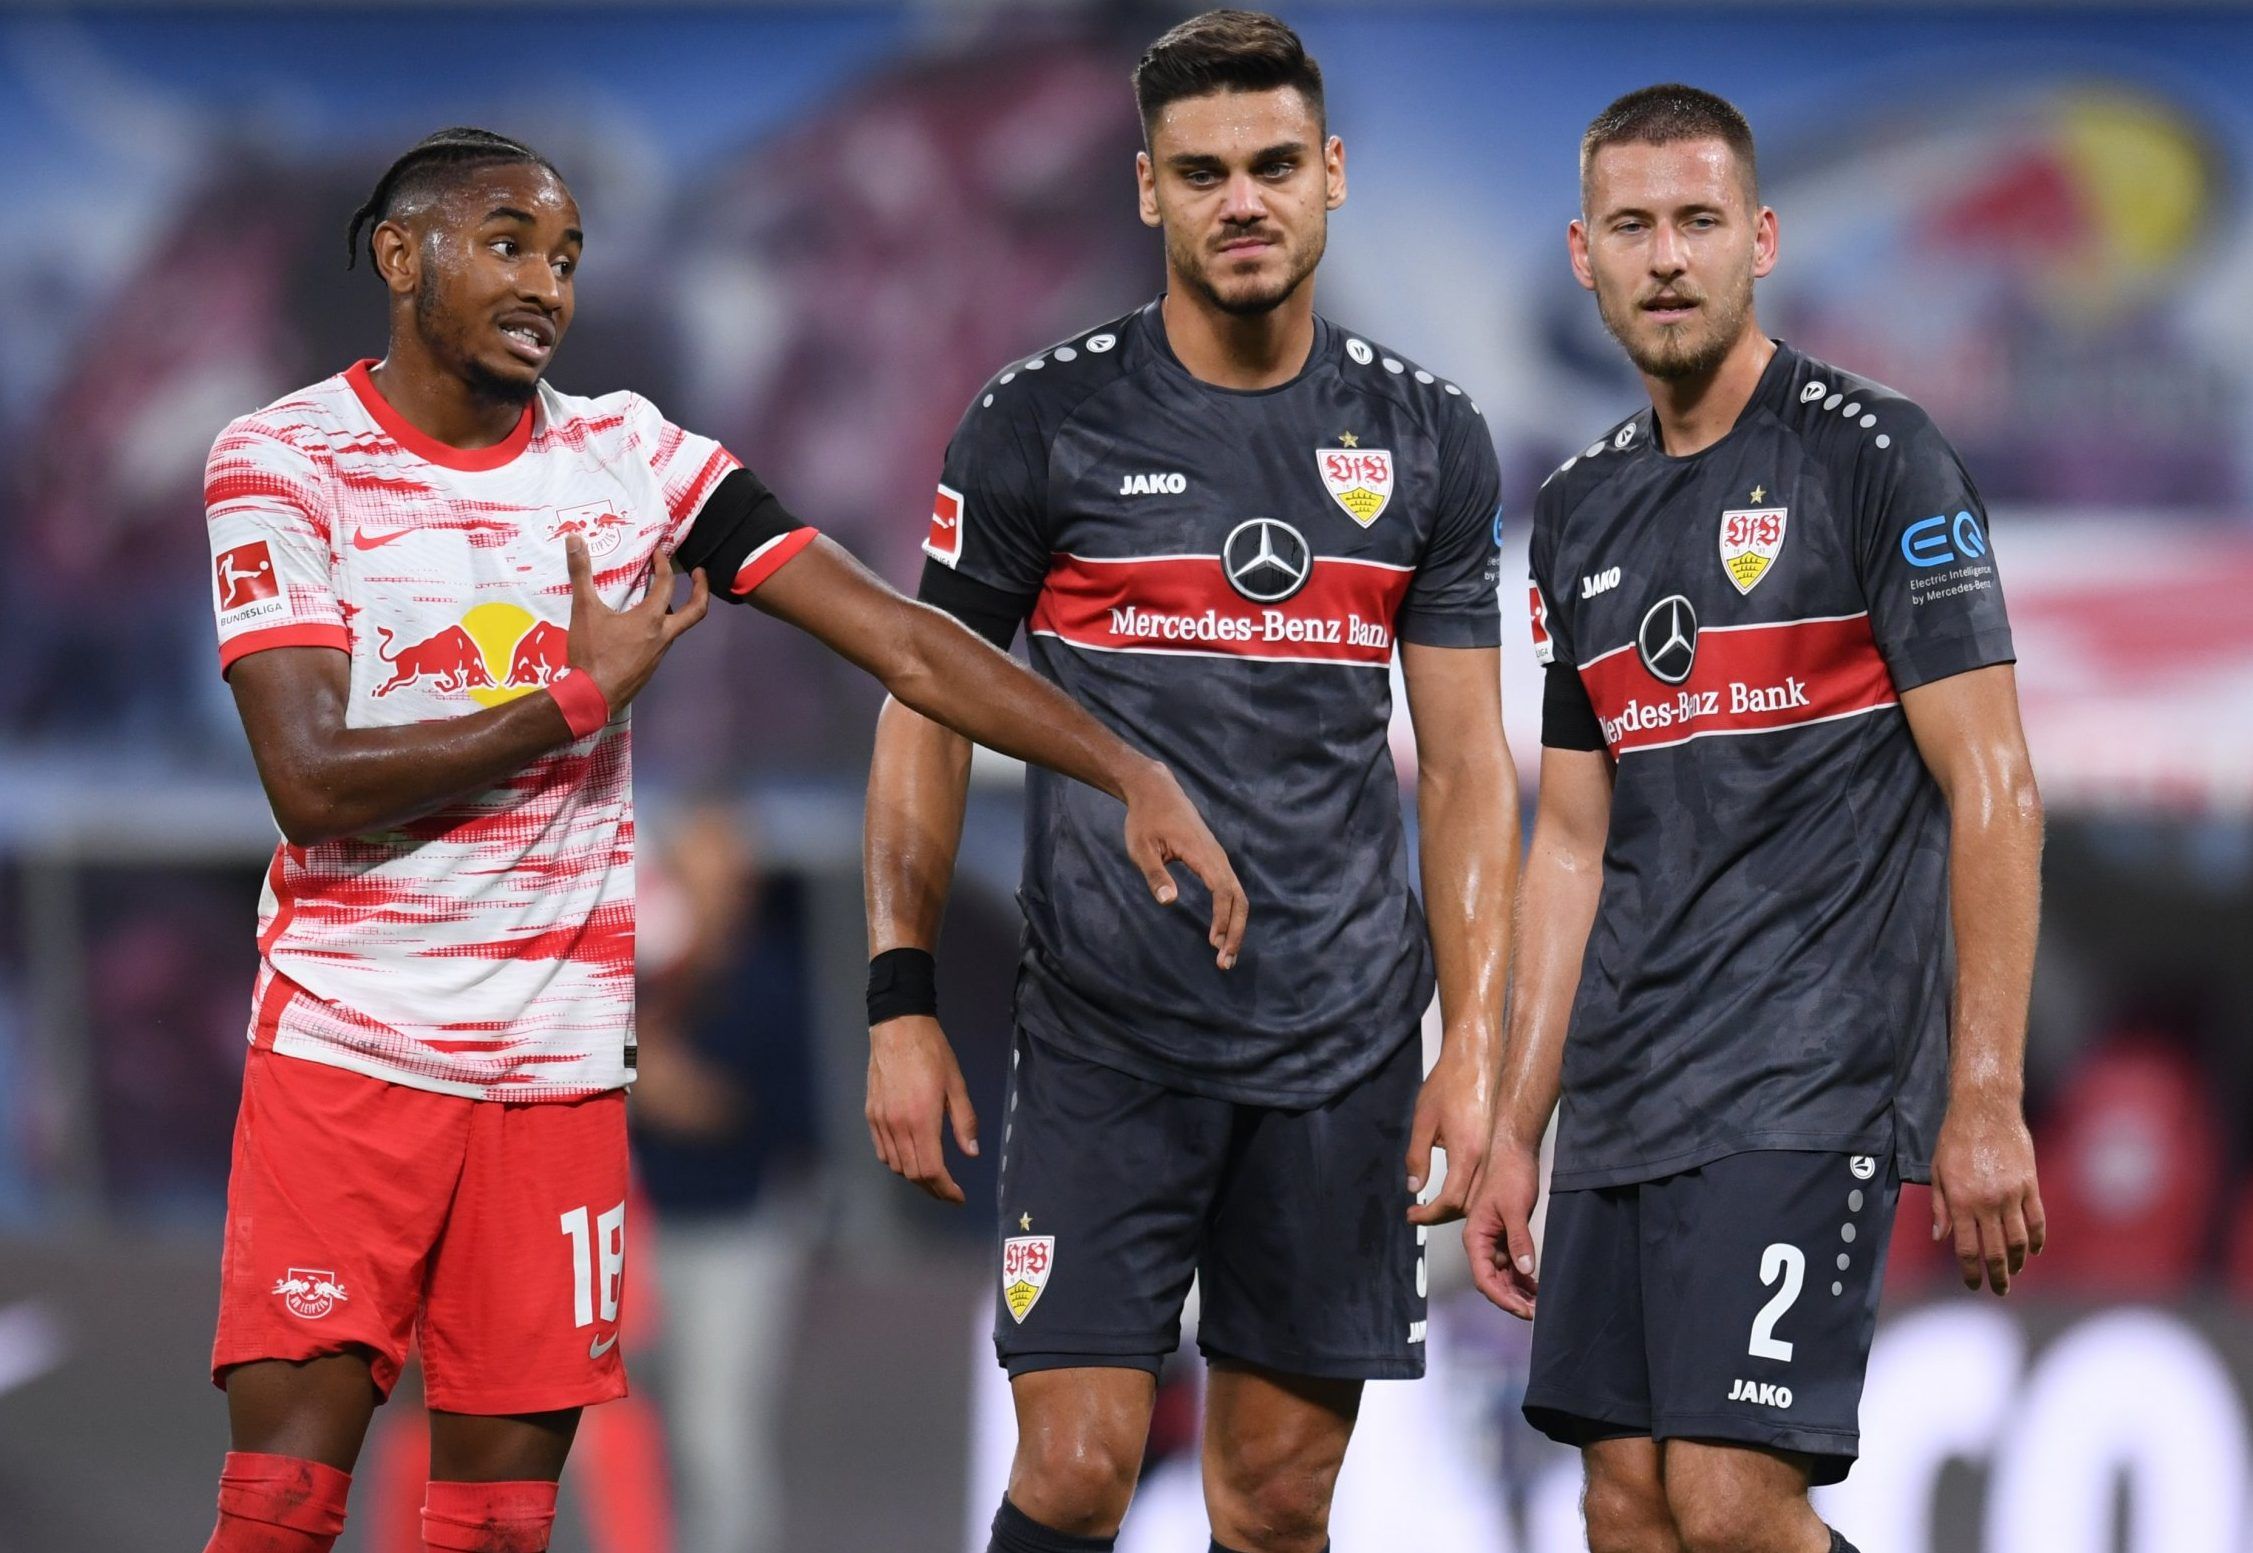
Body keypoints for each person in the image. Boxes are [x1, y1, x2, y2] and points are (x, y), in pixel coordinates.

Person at [199, 126, 1245, 1553]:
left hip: (556, 1086)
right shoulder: (282, 458)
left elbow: (902, 640)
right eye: (507, 244)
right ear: (400, 255)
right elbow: (312, 779)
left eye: (566, 257)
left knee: (497, 1527)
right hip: (349, 1055)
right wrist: (574, 699)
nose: (546, 284)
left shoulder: (635, 457)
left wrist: (1124, 765)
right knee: (280, 1508)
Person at [860, 14, 1518, 1553]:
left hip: (1339, 1048)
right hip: (1106, 1041)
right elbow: (925, 699)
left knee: (1275, 1498)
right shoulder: (1038, 421)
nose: (1242, 200)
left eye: (1273, 164)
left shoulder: (1426, 437)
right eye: (1203, 171)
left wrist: (1473, 1043)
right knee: (1076, 1468)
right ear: (1148, 187)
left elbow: (1465, 768)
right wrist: (900, 999)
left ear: (1330, 172)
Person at [1462, 85, 2047, 1553]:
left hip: (1805, 1076)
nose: (1666, 257)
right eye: (1631, 226)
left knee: (1728, 1499)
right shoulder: (1578, 508)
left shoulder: (1879, 457)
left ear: (1763, 239)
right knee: (1624, 1506)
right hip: (1622, 1093)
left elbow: (1994, 784)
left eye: (1698, 221)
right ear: (1583, 255)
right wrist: (1519, 1129)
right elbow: (1572, 839)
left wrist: (1982, 1093)